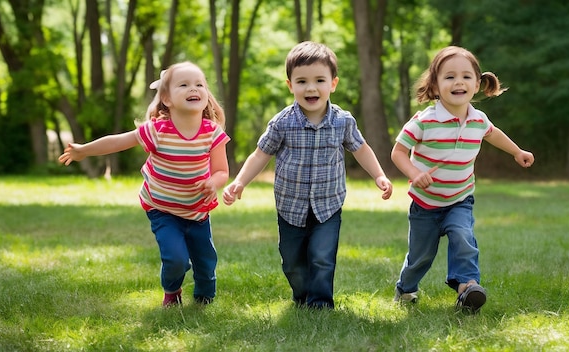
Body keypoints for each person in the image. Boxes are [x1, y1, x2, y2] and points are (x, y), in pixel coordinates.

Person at [222, 41, 393, 310]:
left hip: (328, 203)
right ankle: (301, 295)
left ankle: (320, 303)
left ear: (333, 84)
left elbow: (361, 148)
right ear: (290, 85)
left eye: (319, 80)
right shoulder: (282, 122)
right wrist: (240, 181)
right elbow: (260, 154)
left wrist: (379, 176)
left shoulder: (343, 121)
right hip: (291, 205)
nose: (311, 88)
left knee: (322, 257)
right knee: (292, 261)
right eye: (302, 81)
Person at [59, 62, 230, 307]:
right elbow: (118, 142)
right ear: (167, 99)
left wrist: (213, 182)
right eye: (184, 84)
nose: (194, 88)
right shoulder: (158, 131)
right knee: (176, 259)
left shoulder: (211, 132)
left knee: (205, 261)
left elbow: (222, 170)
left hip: (197, 211)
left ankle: (204, 297)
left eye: (199, 84)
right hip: (162, 208)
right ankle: (172, 291)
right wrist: (84, 150)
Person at [391, 46, 534, 313]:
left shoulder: (478, 119)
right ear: (435, 85)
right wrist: (414, 174)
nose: (459, 82)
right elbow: (398, 152)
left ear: (477, 84)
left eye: (466, 76)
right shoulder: (424, 121)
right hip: (425, 204)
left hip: (460, 199)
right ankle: (406, 289)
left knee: (463, 237)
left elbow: (494, 134)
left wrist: (517, 151)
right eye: (449, 77)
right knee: (420, 257)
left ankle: (467, 288)